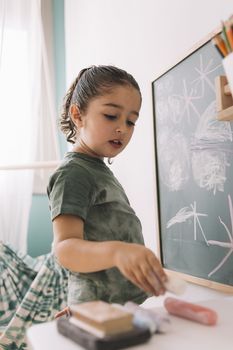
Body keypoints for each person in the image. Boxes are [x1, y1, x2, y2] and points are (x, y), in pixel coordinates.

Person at [47, 64, 167, 306]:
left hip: (122, 305)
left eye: (131, 121)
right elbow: (65, 248)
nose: (122, 128)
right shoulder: (74, 173)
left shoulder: (99, 171)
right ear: (78, 115)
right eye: (111, 116)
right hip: (97, 307)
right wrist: (118, 251)